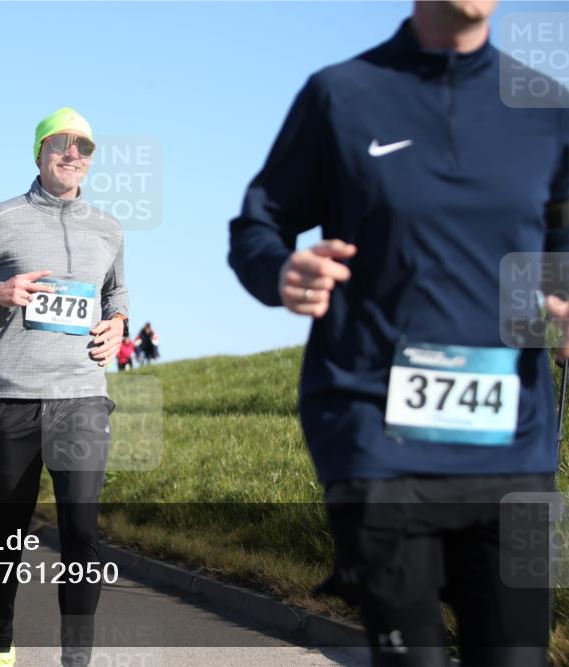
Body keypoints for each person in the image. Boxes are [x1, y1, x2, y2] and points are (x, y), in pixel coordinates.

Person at [228, 3, 568, 665]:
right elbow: (257, 227)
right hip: (376, 437)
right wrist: (280, 271)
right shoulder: (342, 96)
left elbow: (560, 236)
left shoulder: (548, 112)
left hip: (516, 445)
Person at [0, 109, 128, 667]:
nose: (73, 153)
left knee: (82, 531)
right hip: (8, 399)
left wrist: (117, 326)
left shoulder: (108, 229)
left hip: (81, 399)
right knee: (8, 538)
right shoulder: (0, 221)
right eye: (60, 143)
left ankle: (75, 661)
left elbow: (117, 295)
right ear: (39, 153)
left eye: (83, 145)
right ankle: (0, 646)